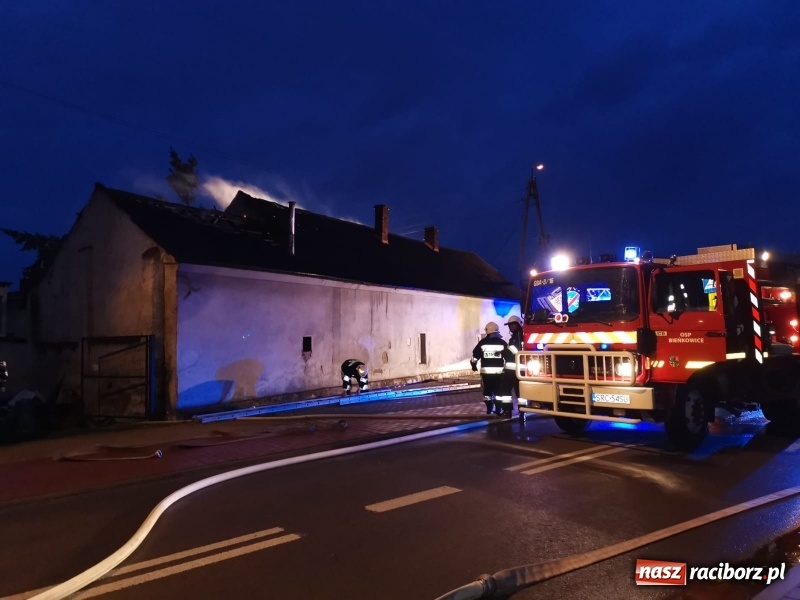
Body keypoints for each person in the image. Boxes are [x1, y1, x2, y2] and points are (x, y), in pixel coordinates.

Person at [470, 322, 515, 417]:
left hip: (486, 374)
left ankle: (489, 408)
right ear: (496, 331)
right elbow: (509, 357)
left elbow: (475, 356)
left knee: (487, 392)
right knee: (499, 392)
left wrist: (474, 365)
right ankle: (498, 409)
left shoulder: (482, 343)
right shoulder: (502, 343)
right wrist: (509, 370)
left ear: (487, 331)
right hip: (499, 374)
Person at [504, 315, 524, 399]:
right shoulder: (514, 337)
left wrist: (505, 352)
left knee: (518, 390)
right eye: (510, 325)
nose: (511, 327)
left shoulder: (520, 336)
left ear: (518, 324)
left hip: (518, 368)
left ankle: (521, 408)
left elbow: (518, 351)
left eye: (513, 324)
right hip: (513, 369)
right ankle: (519, 408)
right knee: (514, 389)